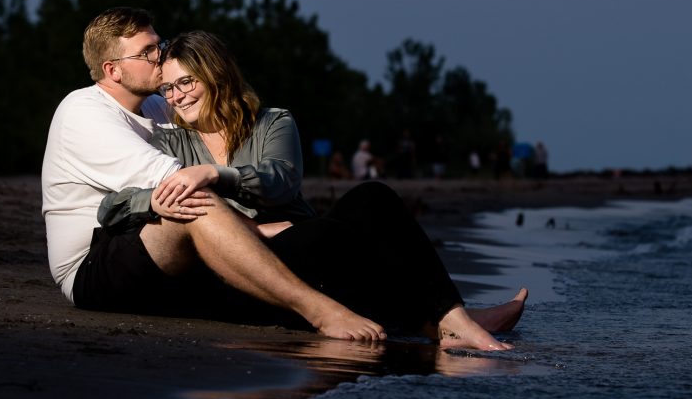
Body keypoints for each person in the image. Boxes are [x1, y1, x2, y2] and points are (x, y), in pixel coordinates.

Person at [100, 31, 527, 350]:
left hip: (305, 246)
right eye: (169, 88)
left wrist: (215, 174)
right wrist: (154, 201)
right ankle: (445, 323)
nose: (176, 96)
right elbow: (111, 206)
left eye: (187, 82)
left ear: (217, 74)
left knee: (372, 198)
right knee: (336, 238)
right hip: (246, 271)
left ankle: (454, 319)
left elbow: (280, 182)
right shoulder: (168, 142)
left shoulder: (272, 122)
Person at [41, 7, 385, 342]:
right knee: (190, 199)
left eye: (157, 45)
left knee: (363, 210)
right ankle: (319, 311)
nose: (159, 57)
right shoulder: (84, 111)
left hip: (155, 244)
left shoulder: (160, 105)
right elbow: (177, 180)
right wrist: (255, 230)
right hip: (93, 265)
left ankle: (418, 312)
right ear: (113, 70)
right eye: (146, 52)